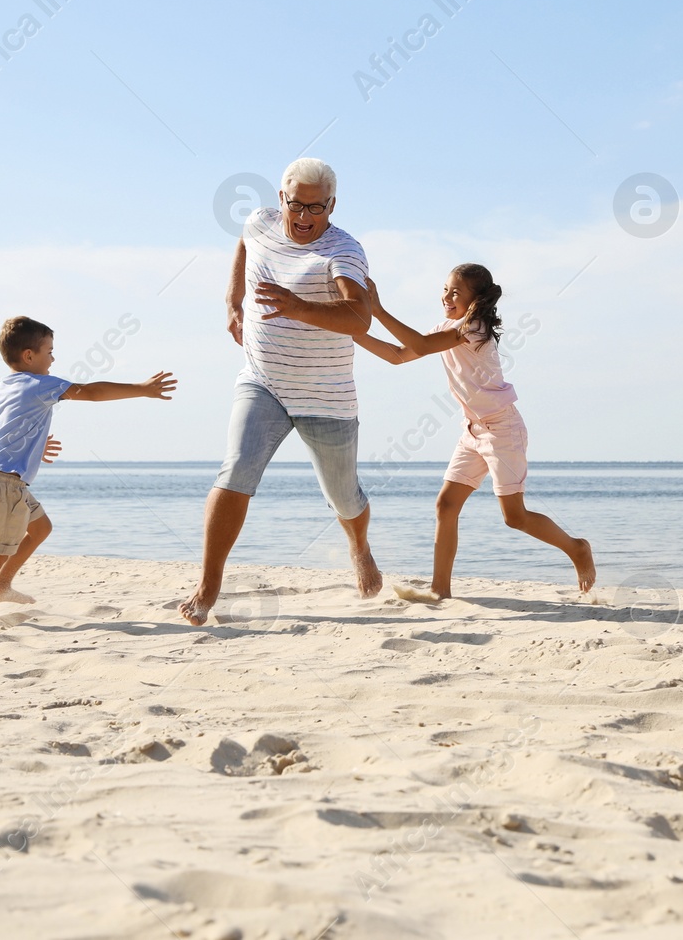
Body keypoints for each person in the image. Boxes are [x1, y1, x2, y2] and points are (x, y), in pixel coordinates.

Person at [180, 158, 382, 625]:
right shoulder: (259, 224)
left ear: (332, 205)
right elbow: (244, 247)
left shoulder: (344, 250)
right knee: (236, 470)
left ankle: (359, 548)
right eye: (297, 205)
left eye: (317, 207)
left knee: (344, 497)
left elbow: (359, 317)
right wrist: (233, 302)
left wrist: (298, 306)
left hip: (326, 396)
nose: (306, 216)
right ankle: (208, 587)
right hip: (262, 381)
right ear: (281, 200)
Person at [354, 263, 595, 600]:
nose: (447, 296)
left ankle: (577, 548)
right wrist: (353, 333)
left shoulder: (475, 329)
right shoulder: (448, 327)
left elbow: (421, 345)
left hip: (502, 430)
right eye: (445, 289)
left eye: (456, 292)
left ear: (476, 300)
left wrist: (377, 310)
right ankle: (440, 590)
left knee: (515, 517)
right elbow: (398, 355)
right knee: (446, 504)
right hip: (472, 430)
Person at [0, 316, 175, 630]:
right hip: (4, 484)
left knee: (40, 529)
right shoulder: (40, 384)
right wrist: (141, 389)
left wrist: (33, 445)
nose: (53, 358)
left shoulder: (1, 389)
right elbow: (90, 392)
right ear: (29, 356)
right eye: (49, 351)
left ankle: (0, 587)